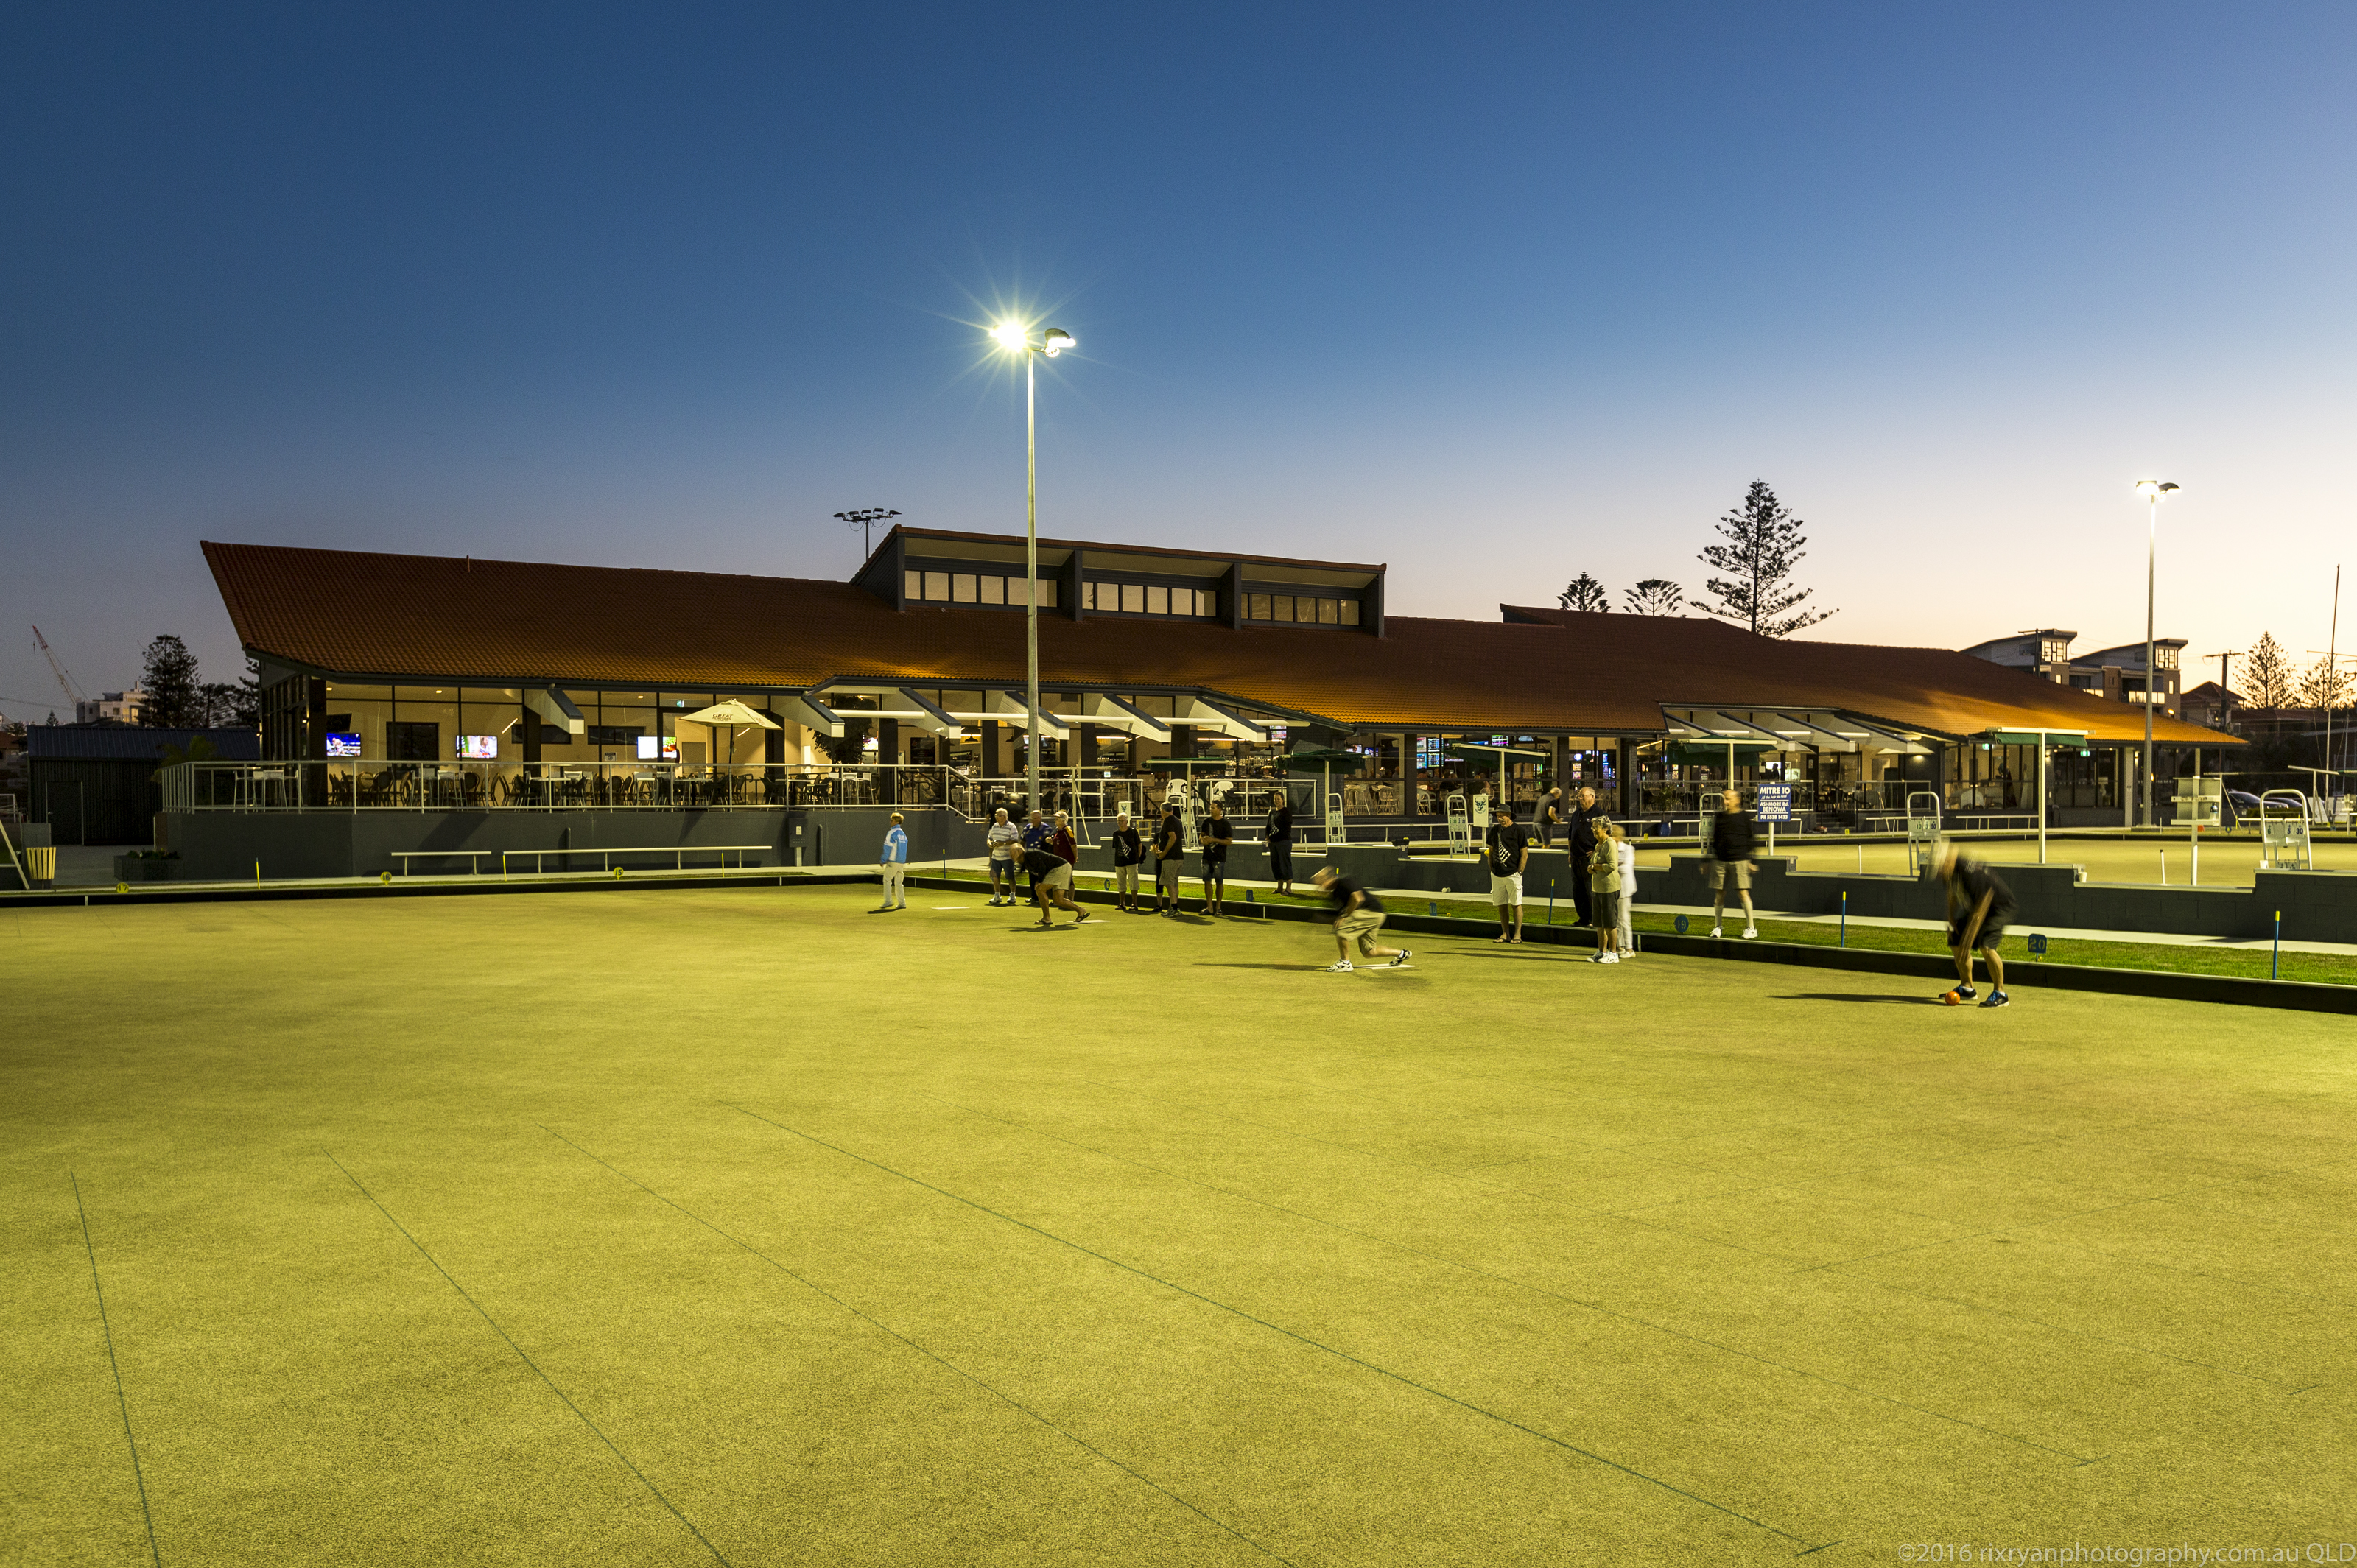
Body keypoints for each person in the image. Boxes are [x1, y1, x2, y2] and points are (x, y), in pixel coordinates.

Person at [1934, 842, 2015, 1007]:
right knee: (1956, 939)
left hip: (2000, 907)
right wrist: (1951, 917)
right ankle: (1967, 988)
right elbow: (1952, 891)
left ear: (1949, 860)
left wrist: (1970, 936)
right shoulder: (1950, 871)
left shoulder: (1968, 870)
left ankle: (2001, 994)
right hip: (1978, 908)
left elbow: (1984, 902)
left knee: (1986, 945)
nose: (1940, 871)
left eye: (1941, 867)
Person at [1310, 865, 1411, 971]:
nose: (1321, 887)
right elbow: (1336, 913)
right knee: (1369, 952)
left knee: (1342, 931)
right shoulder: (1335, 894)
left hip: (1371, 912)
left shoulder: (1344, 882)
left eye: (1321, 883)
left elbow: (1357, 898)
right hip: (1374, 915)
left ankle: (1345, 963)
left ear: (1328, 878)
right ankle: (1402, 954)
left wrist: (1344, 916)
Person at [1707, 788, 1757, 939]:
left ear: (1737, 800)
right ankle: (1718, 927)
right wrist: (1706, 860)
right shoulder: (1720, 817)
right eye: (1724, 798)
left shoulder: (1744, 817)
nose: (1725, 802)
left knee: (1743, 893)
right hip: (1721, 860)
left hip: (1740, 859)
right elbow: (1714, 839)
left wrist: (1752, 861)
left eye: (1728, 799)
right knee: (1719, 894)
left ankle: (1751, 928)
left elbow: (1751, 839)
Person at [1485, 802, 1531, 943]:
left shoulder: (1519, 831)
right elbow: (1491, 852)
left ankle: (1518, 934)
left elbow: (1524, 854)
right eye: (1498, 816)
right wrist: (1492, 870)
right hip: (1497, 874)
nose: (1500, 818)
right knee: (1501, 904)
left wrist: (1520, 872)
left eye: (1502, 815)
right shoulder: (1494, 831)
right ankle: (1505, 934)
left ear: (1509, 815)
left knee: (1516, 903)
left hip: (1513, 874)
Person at [1018, 840, 1090, 927]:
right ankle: (1081, 910)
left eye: (1014, 853)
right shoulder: (1024, 862)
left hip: (1060, 868)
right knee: (1058, 900)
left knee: (1040, 889)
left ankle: (1046, 918)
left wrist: (1040, 881)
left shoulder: (1030, 855)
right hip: (1064, 868)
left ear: (1020, 852)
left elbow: (1042, 867)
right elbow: (1021, 873)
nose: (1012, 855)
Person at [1565, 786, 1604, 926]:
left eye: (1583, 796)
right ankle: (1583, 918)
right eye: (1579, 797)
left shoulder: (1599, 814)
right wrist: (1571, 852)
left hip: (1589, 860)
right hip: (1576, 859)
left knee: (1590, 891)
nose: (1580, 799)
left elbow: (1606, 836)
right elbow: (1570, 834)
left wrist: (1596, 852)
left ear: (1592, 797)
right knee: (1578, 891)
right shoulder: (1576, 814)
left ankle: (1593, 919)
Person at [1587, 815, 1623, 963]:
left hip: (1609, 888)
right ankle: (1602, 952)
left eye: (1597, 828)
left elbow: (1612, 866)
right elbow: (1595, 863)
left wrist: (1595, 867)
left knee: (1609, 923)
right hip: (1598, 888)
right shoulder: (1598, 845)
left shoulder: (1610, 844)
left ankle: (1613, 954)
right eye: (1593, 828)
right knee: (1599, 924)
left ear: (1606, 829)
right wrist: (1591, 867)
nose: (1594, 831)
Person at [1200, 801, 1234, 913]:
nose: (1211, 810)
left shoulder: (1225, 824)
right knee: (1207, 881)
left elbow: (1229, 842)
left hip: (1219, 857)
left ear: (1220, 810)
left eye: (1214, 808)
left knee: (1219, 882)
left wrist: (1213, 840)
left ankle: (1218, 907)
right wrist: (1203, 841)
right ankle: (1209, 907)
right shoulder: (1206, 822)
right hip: (1207, 856)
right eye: (1211, 808)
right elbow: (1202, 836)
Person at [1151, 804, 1186, 913]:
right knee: (1174, 882)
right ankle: (1174, 906)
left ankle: (1174, 908)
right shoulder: (1177, 820)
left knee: (1169, 882)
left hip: (1170, 858)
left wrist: (1164, 852)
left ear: (1162, 811)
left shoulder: (1168, 820)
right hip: (1179, 857)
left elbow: (1173, 837)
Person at [985, 807, 1021, 906]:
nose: (996, 818)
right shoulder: (995, 826)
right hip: (996, 857)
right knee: (995, 877)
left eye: (998, 816)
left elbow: (1014, 840)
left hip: (1008, 857)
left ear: (1004, 817)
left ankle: (1012, 895)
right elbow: (989, 837)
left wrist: (1003, 843)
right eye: (996, 816)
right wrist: (989, 843)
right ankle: (997, 896)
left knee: (1010, 877)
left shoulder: (1011, 826)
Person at [1109, 810, 1145, 912]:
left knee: (1133, 882)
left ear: (1127, 821)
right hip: (1119, 862)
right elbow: (1116, 848)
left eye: (1122, 821)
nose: (1120, 823)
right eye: (1118, 821)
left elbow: (1139, 845)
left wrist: (1137, 858)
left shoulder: (1133, 832)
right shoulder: (1116, 834)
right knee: (1121, 883)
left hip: (1132, 861)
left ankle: (1134, 903)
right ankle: (1122, 903)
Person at [1613, 820, 1637, 957]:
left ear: (1617, 837)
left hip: (1625, 889)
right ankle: (1620, 947)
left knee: (1624, 919)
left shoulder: (1629, 849)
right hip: (1614, 888)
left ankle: (1630, 949)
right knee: (1616, 920)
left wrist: (1612, 866)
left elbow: (1625, 869)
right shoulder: (1610, 849)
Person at [1265, 793, 1296, 896]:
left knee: (1285, 864)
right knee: (1276, 865)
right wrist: (1267, 836)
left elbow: (1287, 826)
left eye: (1279, 799)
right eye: (1275, 799)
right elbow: (1268, 826)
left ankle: (1289, 889)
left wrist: (1277, 836)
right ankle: (1279, 888)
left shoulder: (1286, 812)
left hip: (1284, 842)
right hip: (1273, 843)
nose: (1277, 801)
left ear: (1283, 800)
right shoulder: (1272, 812)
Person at [877, 811, 909, 910]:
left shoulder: (891, 833)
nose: (890, 822)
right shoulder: (903, 834)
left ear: (895, 821)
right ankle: (902, 902)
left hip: (893, 861)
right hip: (901, 862)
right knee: (899, 883)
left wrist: (883, 860)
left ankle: (888, 901)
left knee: (887, 880)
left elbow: (887, 847)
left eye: (891, 820)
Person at [1534, 784, 1566, 850]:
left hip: (1535, 823)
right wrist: (1557, 820)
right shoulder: (1553, 800)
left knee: (1543, 843)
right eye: (1559, 796)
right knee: (1547, 844)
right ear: (1556, 794)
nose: (1558, 798)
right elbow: (1551, 813)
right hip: (1544, 824)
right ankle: (1543, 859)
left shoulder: (1543, 798)